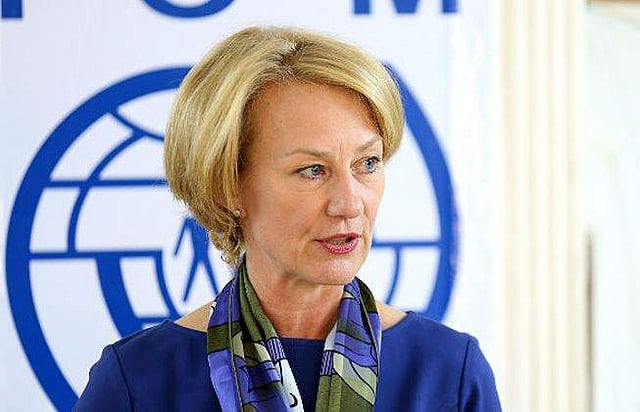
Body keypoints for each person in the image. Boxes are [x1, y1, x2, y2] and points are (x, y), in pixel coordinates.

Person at [74, 26, 501, 411]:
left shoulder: (448, 373)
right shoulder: (138, 381)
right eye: (312, 170)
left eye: (368, 163)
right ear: (229, 184)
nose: (349, 204)